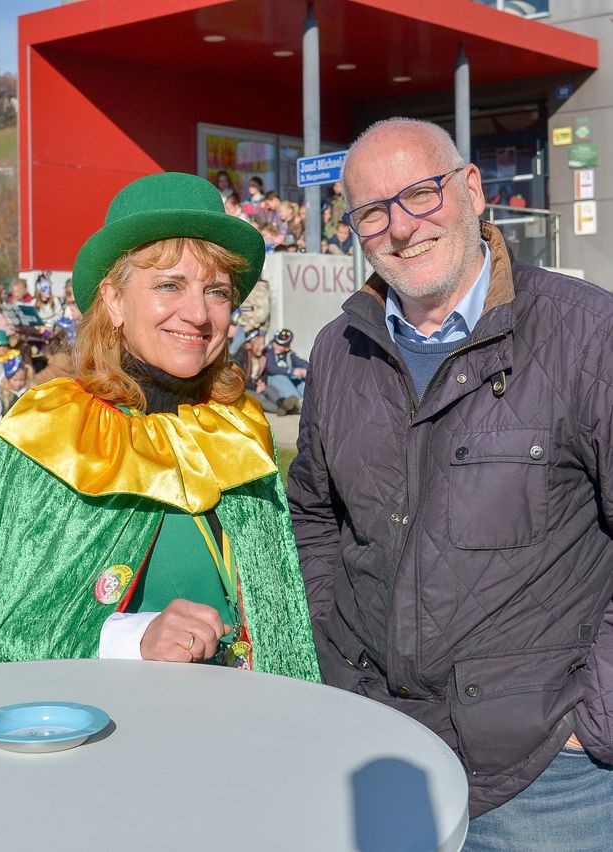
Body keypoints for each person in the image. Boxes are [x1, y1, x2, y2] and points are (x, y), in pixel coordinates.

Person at [287, 117, 613, 845]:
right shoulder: (339, 350)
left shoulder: (588, 333)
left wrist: (593, 720)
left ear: (471, 189)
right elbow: (313, 511)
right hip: (377, 743)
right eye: (373, 211)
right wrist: (335, 647)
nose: (401, 227)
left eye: (420, 193)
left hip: (548, 778)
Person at [0, 172, 319, 680]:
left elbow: (280, 619)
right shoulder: (48, 434)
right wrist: (134, 637)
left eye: (217, 291)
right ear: (113, 300)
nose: (198, 314)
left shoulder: (238, 428)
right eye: (169, 285)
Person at [233, 329, 299, 416]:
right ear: (250, 345)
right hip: (244, 389)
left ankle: (282, 402)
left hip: (256, 386)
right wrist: (255, 387)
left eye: (263, 344)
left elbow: (264, 374)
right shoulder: (241, 356)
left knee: (271, 388)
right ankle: (281, 409)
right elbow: (239, 380)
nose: (262, 347)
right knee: (260, 398)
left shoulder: (263, 356)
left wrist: (262, 382)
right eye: (259, 345)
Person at [264, 328, 308, 400]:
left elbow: (301, 363)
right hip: (272, 381)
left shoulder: (288, 354)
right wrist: (292, 371)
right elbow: (271, 368)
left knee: (301, 379)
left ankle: (307, 400)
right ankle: (296, 401)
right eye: (276, 343)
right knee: (280, 378)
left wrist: (309, 369)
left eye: (281, 345)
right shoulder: (268, 351)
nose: (275, 345)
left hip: (288, 381)